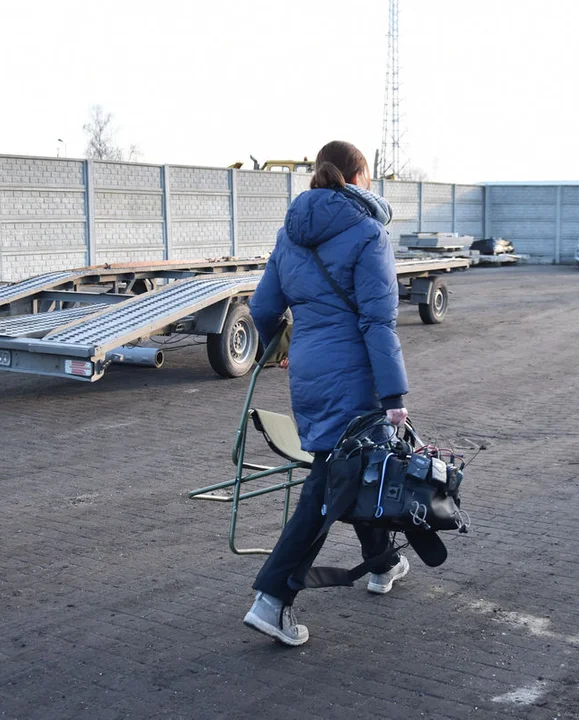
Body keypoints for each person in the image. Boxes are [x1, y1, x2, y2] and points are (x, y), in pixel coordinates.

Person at [243, 140, 411, 646]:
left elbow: (264, 307)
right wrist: (394, 394)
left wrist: (282, 348)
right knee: (327, 485)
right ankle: (272, 599)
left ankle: (383, 564)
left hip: (310, 373)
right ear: (359, 176)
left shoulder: (290, 231)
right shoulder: (368, 233)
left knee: (352, 469)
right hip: (354, 376)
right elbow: (377, 322)